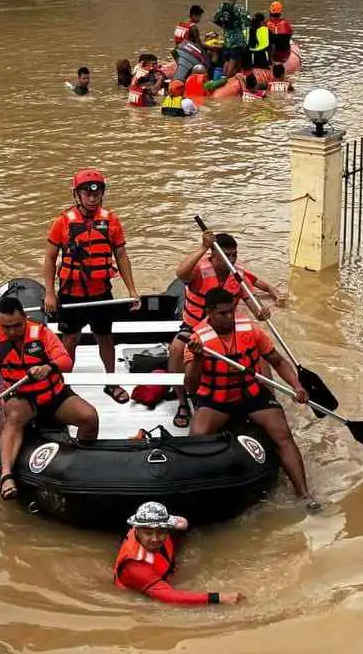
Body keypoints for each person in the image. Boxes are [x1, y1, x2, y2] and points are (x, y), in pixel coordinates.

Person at [184, 288, 317, 509]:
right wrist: (197, 356)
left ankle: (304, 495)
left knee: (283, 434)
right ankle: (197, 496)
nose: (229, 318)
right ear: (209, 312)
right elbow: (191, 384)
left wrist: (296, 386)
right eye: (223, 314)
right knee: (197, 438)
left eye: (231, 312)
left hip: (251, 395)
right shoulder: (197, 339)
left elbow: (277, 361)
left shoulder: (250, 331)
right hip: (218, 399)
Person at [0, 297, 100, 500]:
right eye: (7, 327)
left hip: (53, 396)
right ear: (0, 324)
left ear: (25, 318)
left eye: (17, 325)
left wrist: (49, 367)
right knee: (13, 418)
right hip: (22, 399)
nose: (12, 331)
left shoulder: (42, 334)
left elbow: (65, 360)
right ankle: (6, 476)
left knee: (89, 417)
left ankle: (81, 463)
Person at [43, 169, 141, 405]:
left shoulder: (111, 221)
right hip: (71, 293)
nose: (92, 196)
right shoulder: (62, 222)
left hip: (100, 293)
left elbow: (121, 255)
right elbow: (49, 258)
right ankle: (65, 386)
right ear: (77, 195)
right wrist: (49, 292)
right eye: (86, 192)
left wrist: (132, 290)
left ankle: (112, 382)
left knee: (105, 338)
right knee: (70, 340)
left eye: (97, 191)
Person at [167, 230, 284, 428]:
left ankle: (269, 399)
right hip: (195, 326)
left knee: (258, 350)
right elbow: (180, 273)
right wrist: (204, 246)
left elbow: (250, 299)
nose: (231, 259)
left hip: (226, 326)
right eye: (226, 255)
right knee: (177, 349)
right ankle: (182, 402)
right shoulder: (198, 271)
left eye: (234, 255)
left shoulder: (237, 274)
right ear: (213, 255)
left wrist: (261, 311)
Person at [114, 501, 244, 606]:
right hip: (146, 591)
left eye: (160, 532)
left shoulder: (165, 530)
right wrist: (219, 598)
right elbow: (171, 597)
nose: (155, 539)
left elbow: (181, 522)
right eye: (148, 533)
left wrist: (182, 524)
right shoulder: (135, 567)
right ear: (137, 531)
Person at [212, 0, 250, 78]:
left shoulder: (222, 7)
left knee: (227, 61)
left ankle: (225, 77)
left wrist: (224, 26)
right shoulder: (239, 8)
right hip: (237, 41)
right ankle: (227, 81)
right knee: (234, 63)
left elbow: (215, 19)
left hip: (227, 40)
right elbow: (247, 22)